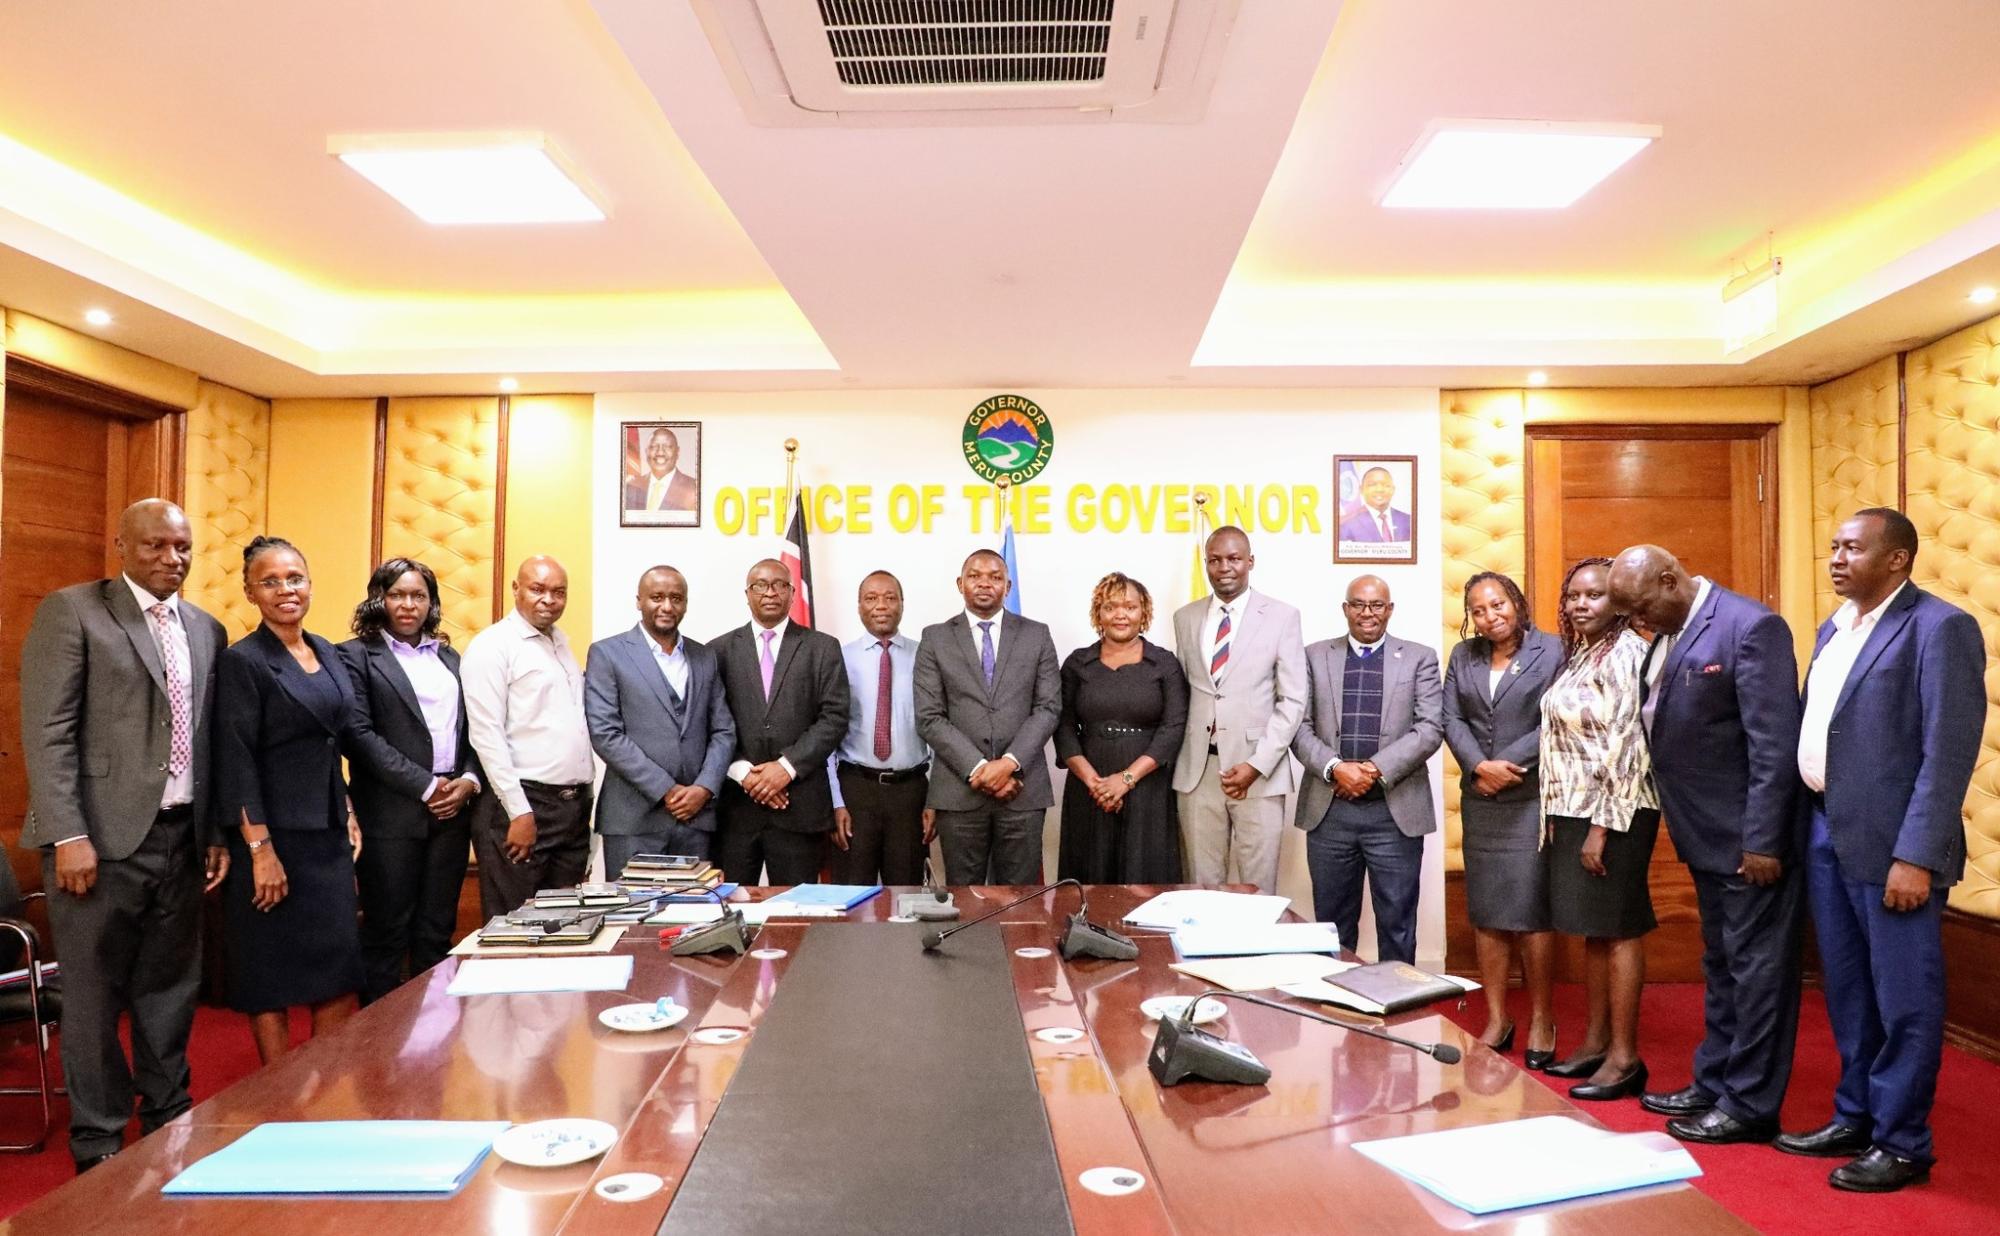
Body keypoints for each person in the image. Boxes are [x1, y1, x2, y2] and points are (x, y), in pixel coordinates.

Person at [1774, 509, 1984, 1192]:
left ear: (1896, 560)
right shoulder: (1833, 629)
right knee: (1850, 993)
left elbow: (1946, 753)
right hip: (1827, 829)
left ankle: (1902, 1141)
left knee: (1904, 1001)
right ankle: (1856, 1114)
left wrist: (1916, 854)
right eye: (1832, 545)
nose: (1836, 558)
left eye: (1853, 548)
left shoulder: (1939, 627)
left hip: (1896, 847)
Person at [17, 499, 229, 1173]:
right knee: (93, 997)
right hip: (97, 844)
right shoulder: (74, 611)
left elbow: (208, 743)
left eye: (184, 546)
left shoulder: (206, 627)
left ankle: (169, 1118)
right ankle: (100, 1139)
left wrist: (214, 831)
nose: (173, 558)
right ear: (122, 546)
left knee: (170, 990)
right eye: (157, 546)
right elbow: (47, 733)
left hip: (181, 836)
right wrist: (65, 833)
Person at [1608, 544, 1803, 1145]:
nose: (1640, 622)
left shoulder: (1751, 628)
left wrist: (1763, 840)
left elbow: (1773, 746)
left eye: (1643, 607)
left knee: (1757, 975)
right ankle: (1714, 1080)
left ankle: (1749, 1104)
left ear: (1671, 581)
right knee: (1721, 967)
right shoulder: (1672, 629)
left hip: (1749, 844)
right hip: (1704, 837)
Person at [213, 536, 365, 1064]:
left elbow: (332, 742)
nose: (285, 590)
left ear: (309, 582)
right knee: (270, 974)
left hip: (324, 835)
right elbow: (236, 761)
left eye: (294, 578)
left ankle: (319, 1086)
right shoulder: (244, 661)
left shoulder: (326, 650)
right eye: (270, 581)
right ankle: (276, 1092)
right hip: (271, 837)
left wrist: (345, 810)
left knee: (338, 970)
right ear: (250, 591)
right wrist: (260, 851)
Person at [1539, 557, 1662, 1101]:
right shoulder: (1586, 653)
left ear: (1618, 601)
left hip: (1617, 813)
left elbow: (1628, 745)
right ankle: (1594, 1043)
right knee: (1595, 930)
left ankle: (1625, 1057)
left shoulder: (1631, 653)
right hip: (1574, 810)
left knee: (1618, 929)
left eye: (1594, 596)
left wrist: (1601, 828)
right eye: (1574, 596)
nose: (1581, 605)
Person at [337, 558, 484, 1005]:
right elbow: (358, 736)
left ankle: (431, 1048)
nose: (408, 604)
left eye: (418, 595)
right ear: (378, 599)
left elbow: (475, 729)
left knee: (436, 932)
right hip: (390, 815)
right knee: (386, 932)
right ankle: (380, 1053)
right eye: (397, 594)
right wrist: (426, 786)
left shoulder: (450, 657)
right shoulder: (356, 655)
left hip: (453, 811)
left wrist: (469, 781)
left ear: (431, 603)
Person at [1441, 572, 1562, 1061]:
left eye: (1497, 604)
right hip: (1482, 798)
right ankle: (1497, 1017)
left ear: (1516, 601)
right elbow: (1451, 718)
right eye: (1478, 609)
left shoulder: (1552, 651)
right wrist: (1478, 767)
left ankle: (1543, 1019)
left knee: (1532, 913)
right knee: (1487, 913)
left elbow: (1555, 715)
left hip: (1530, 794)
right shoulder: (1462, 656)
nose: (1490, 616)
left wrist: (1506, 765)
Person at [1291, 575, 1442, 962]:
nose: (1367, 613)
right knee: (1333, 928)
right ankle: (1336, 1015)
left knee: (1397, 924)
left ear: (1389, 610)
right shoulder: (1313, 655)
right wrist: (1336, 768)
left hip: (1394, 813)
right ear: (1345, 609)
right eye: (1358, 604)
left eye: (1377, 605)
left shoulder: (1419, 657)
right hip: (1330, 813)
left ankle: (1401, 1019)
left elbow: (1429, 728)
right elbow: (1298, 726)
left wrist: (1372, 770)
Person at [1168, 526, 1307, 894]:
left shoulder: (1282, 616)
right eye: (1215, 560)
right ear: (1206, 565)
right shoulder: (1186, 618)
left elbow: (1292, 700)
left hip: (1258, 772)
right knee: (1201, 889)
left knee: (1257, 890)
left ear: (1250, 562)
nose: (1224, 567)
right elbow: (1185, 693)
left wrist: (1256, 764)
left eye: (1233, 558)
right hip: (1198, 772)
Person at [914, 549, 1062, 885]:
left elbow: (1048, 707)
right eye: (975, 576)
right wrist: (981, 770)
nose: (985, 583)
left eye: (995, 577)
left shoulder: (1036, 634)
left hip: (1022, 789)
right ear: (960, 584)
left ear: (1008, 586)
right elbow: (929, 716)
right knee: (964, 901)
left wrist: (1008, 764)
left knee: (1020, 901)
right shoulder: (935, 638)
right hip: (959, 790)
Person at [461, 557, 594, 916]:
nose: (548, 599)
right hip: (522, 805)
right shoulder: (492, 647)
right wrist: (519, 812)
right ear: (516, 589)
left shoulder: (561, 644)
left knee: (564, 924)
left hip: (571, 811)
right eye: (537, 589)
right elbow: (486, 735)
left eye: (558, 592)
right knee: (514, 925)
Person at [584, 566, 735, 879]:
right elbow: (606, 734)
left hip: (696, 818)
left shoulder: (705, 656)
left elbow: (723, 731)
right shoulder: (607, 654)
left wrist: (704, 788)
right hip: (633, 820)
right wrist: (667, 790)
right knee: (632, 921)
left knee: (693, 920)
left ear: (685, 604)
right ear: (639, 601)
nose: (667, 606)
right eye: (657, 597)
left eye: (676, 598)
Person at [709, 559, 849, 884]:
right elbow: (711, 722)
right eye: (760, 584)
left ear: (792, 592)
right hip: (736, 810)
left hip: (799, 808)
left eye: (779, 585)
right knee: (731, 913)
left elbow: (834, 717)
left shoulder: (822, 648)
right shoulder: (718, 651)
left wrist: (784, 769)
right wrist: (745, 774)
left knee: (795, 917)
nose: (770, 592)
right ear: (747, 593)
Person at [1055, 573, 1190, 884]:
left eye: (1129, 607)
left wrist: (1127, 779)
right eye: (1111, 607)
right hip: (1089, 787)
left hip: (1147, 786)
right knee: (1089, 878)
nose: (1120, 615)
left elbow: (1173, 727)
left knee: (1144, 879)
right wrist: (1095, 783)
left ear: (1144, 613)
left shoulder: (1164, 663)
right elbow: (1062, 726)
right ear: (1098, 614)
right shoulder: (1077, 663)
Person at [825, 571, 934, 886]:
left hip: (910, 791)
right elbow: (828, 737)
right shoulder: (837, 658)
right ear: (859, 606)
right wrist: (836, 802)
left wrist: (934, 800)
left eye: (890, 597)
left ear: (902, 604)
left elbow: (939, 729)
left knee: (907, 895)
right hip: (855, 789)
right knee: (851, 895)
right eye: (871, 598)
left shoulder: (926, 655)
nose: (881, 605)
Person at [623, 426, 698, 513]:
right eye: (654, 446)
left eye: (667, 446)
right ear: (646, 451)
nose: (660, 452)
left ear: (678, 452)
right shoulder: (630, 487)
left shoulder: (694, 488)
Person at [1338, 467, 1413, 544]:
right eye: (1372, 485)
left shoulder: (1410, 521)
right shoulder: (1345, 524)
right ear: (1361, 490)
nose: (1379, 489)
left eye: (1386, 485)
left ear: (1393, 490)